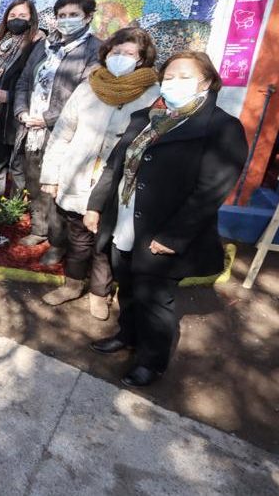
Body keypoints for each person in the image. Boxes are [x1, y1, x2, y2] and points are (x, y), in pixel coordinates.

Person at [85, 51, 247, 387]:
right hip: (125, 222)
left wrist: (173, 238)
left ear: (206, 81)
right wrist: (95, 206)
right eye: (169, 76)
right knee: (127, 286)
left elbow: (210, 193)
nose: (173, 83)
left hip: (163, 232)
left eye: (185, 76)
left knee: (155, 300)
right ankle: (127, 335)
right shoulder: (145, 117)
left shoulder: (221, 128)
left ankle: (151, 360)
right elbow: (116, 166)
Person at [38, 27, 161, 317]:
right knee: (79, 240)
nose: (121, 58)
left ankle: (99, 292)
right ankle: (72, 284)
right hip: (77, 178)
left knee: (106, 244)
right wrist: (51, 176)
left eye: (130, 54)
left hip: (118, 184)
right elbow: (62, 133)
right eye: (116, 52)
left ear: (142, 59)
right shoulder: (89, 87)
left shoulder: (152, 95)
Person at [14, 0, 102, 265]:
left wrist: (49, 118)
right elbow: (24, 81)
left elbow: (86, 94)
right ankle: (39, 230)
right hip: (31, 128)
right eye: (61, 15)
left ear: (88, 17)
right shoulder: (44, 45)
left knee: (55, 188)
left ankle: (57, 243)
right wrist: (21, 111)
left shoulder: (94, 49)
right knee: (34, 181)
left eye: (73, 15)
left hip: (62, 133)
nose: (66, 20)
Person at [0, 0, 44, 196]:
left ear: (31, 19)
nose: (16, 19)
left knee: (18, 165)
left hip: (21, 114)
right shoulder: (2, 45)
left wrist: (11, 96)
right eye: (12, 15)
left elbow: (40, 85)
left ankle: (15, 209)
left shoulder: (38, 45)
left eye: (22, 15)